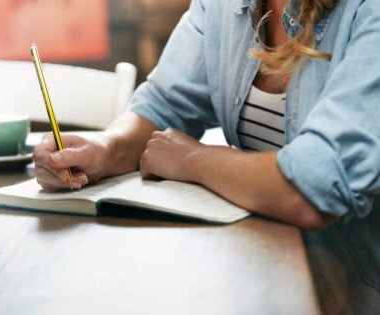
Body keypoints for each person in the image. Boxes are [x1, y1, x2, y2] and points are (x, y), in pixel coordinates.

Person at [32, 0, 379, 313]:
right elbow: (164, 104)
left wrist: (192, 160)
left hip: (353, 294)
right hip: (257, 271)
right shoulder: (221, 6)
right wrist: (105, 149)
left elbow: (312, 189)